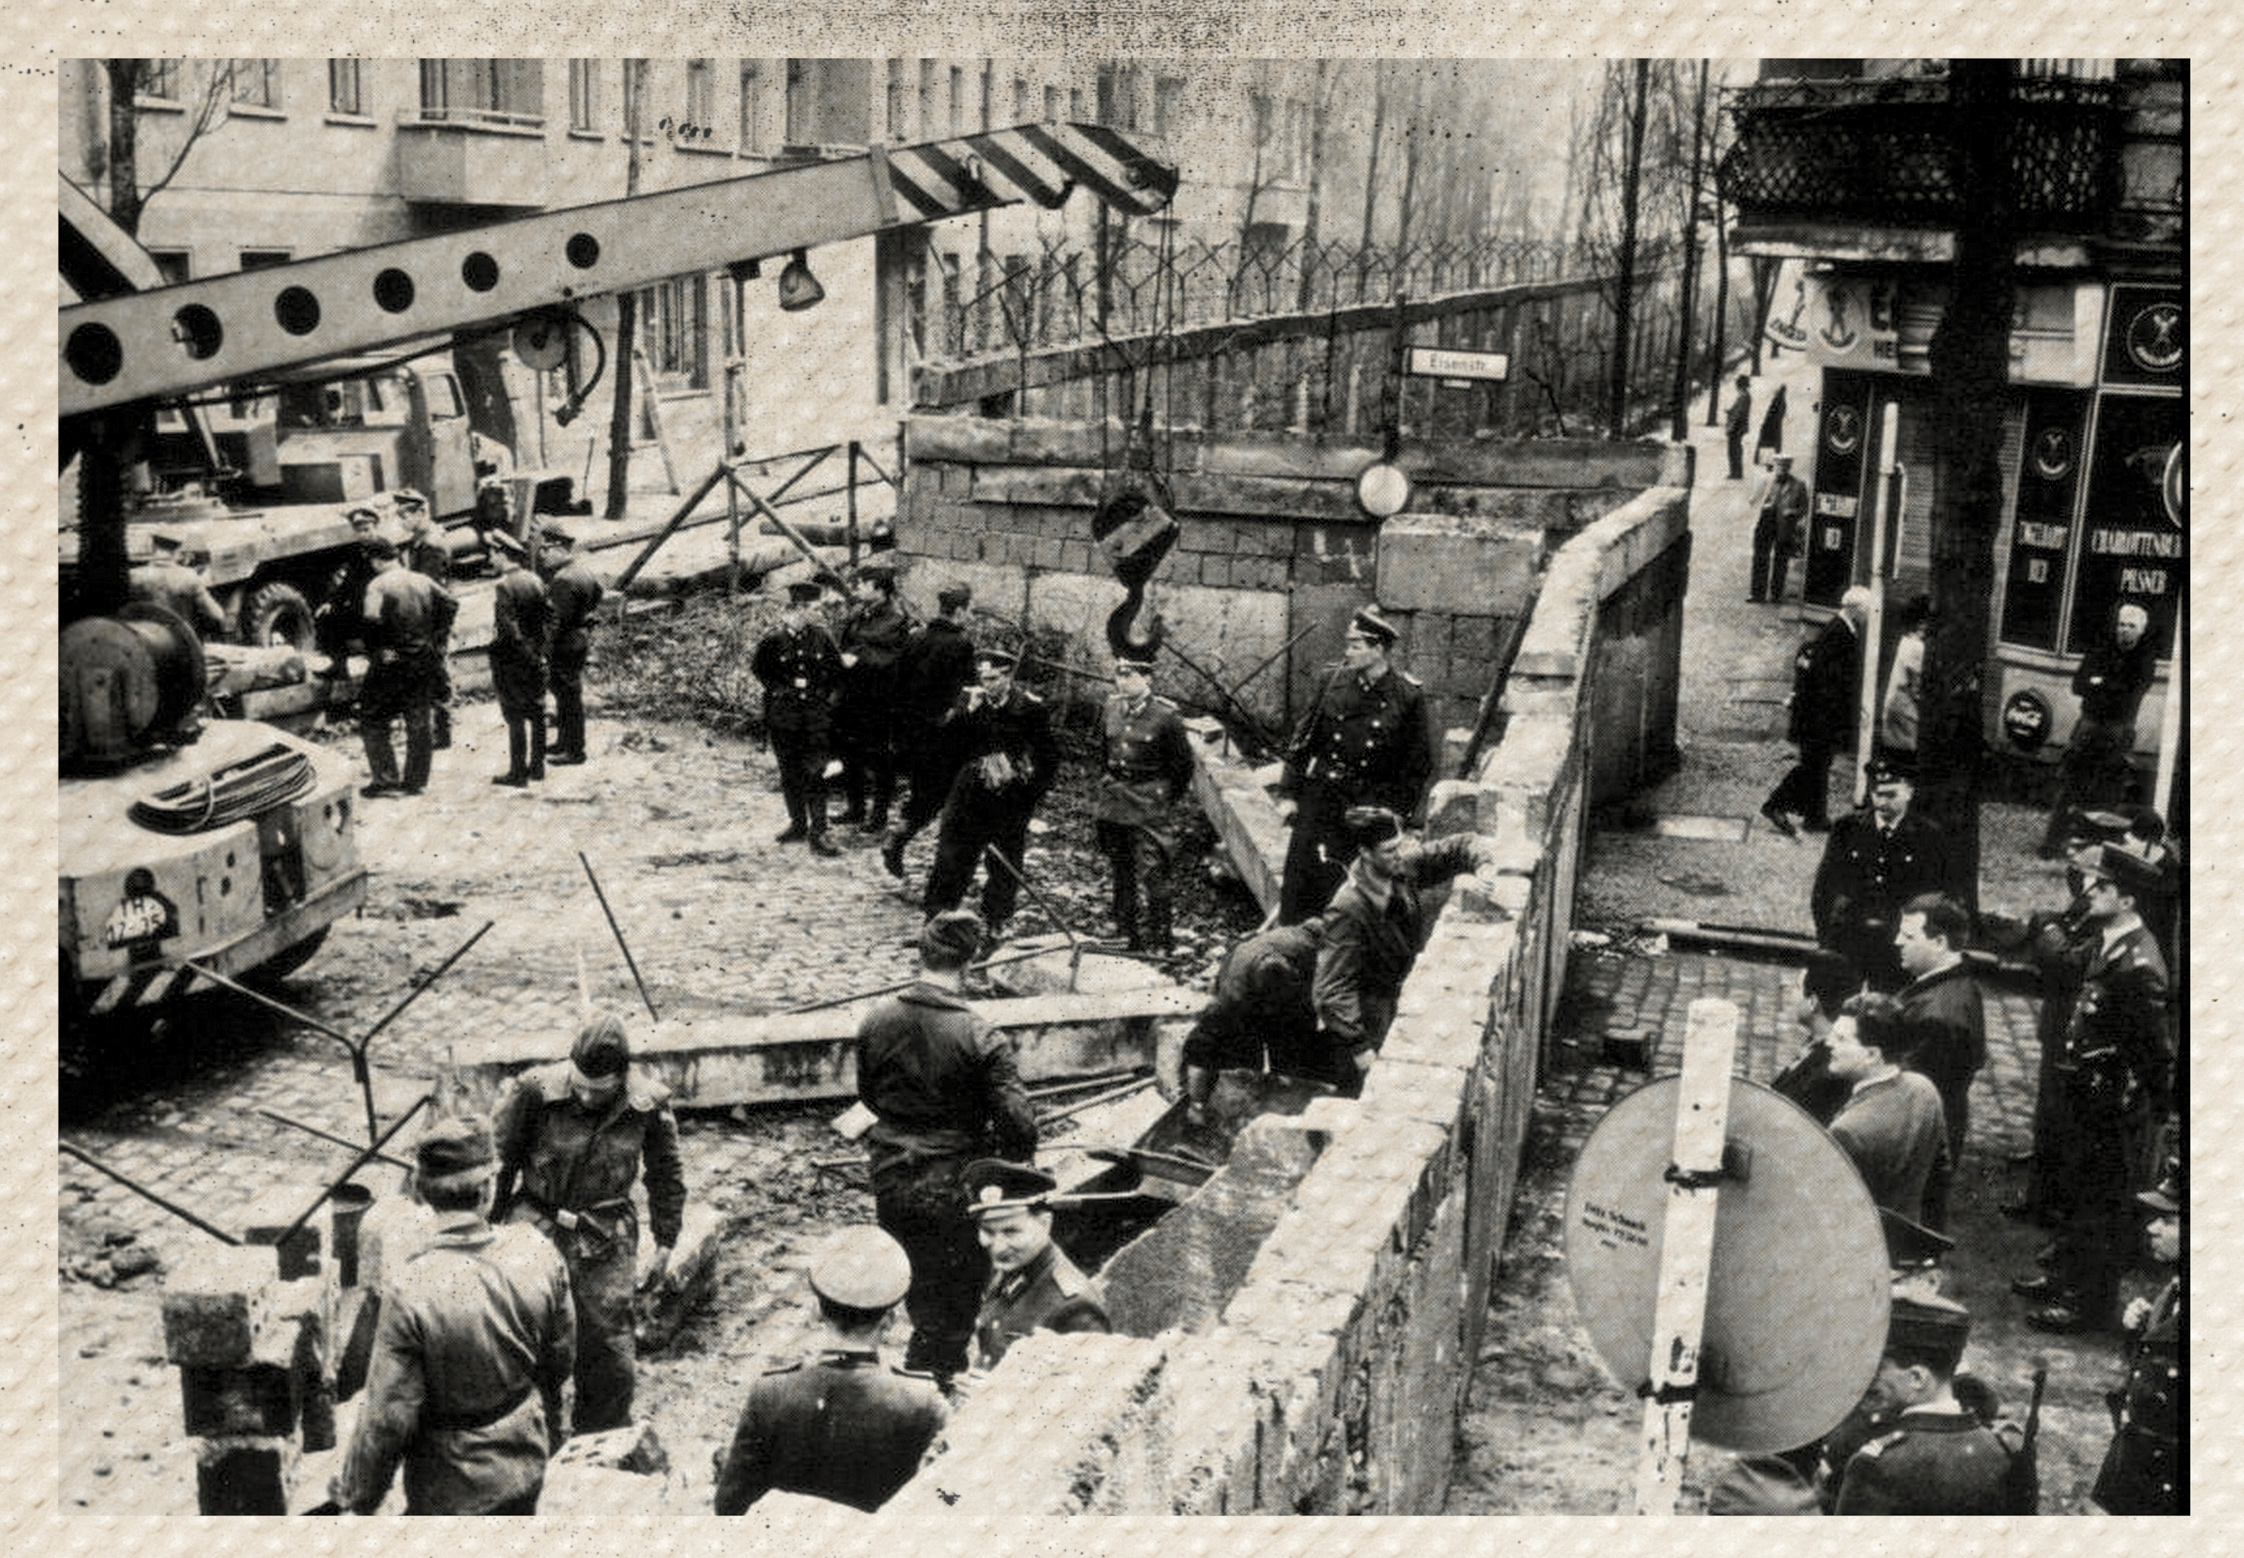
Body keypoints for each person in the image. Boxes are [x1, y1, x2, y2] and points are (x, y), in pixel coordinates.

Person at [326, 1118, 574, 1515]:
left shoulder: (410, 1288)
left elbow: (388, 1419)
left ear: (423, 1196)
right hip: (527, 1461)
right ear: (487, 1190)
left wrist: (358, 1498)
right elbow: (559, 1361)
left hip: (449, 1487)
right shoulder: (537, 1249)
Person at [855, 909, 1039, 1383]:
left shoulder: (875, 1019)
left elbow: (869, 1096)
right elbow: (1019, 1126)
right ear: (970, 965)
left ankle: (923, 1365)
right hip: (954, 1185)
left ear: (923, 954)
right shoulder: (981, 1036)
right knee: (955, 1303)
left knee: (916, 1284)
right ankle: (930, 1392)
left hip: (891, 1175)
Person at [491, 1014, 686, 1434]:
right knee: (528, 1341)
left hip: (604, 1237)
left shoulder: (648, 1103)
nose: (585, 1097)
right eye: (578, 1085)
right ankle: (538, 1436)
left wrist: (666, 1239)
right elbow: (502, 1161)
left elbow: (666, 1173)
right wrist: (490, 1229)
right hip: (536, 1229)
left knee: (609, 1353)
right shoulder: (534, 1091)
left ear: (621, 1078)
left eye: (598, 1091)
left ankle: (599, 1445)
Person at [2015, 845, 2172, 1334]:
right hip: (2086, 1092)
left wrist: (2153, 1106)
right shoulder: (2110, 942)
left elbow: (2152, 1050)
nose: (2090, 891)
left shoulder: (2139, 963)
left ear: (2127, 899)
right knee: (2078, 1189)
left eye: (2102, 887)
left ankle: (2088, 1303)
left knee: (2101, 1203)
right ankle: (2066, 1278)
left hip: (2111, 1106)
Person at [712, 1227, 949, 1515]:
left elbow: (729, 1505)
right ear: (890, 1320)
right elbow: (946, 1503)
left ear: (816, 1312)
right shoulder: (923, 1402)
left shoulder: (770, 1394)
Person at [1313, 806, 1491, 1094]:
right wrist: (1361, 1050)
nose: (1398, 854)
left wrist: (1484, 866)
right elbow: (1330, 990)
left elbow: (1459, 846)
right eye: (1388, 850)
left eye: (1399, 845)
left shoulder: (1399, 870)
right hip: (1368, 1019)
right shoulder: (1348, 908)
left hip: (1399, 999)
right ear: (1365, 852)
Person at [1277, 606, 1435, 924]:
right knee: (1301, 886)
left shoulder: (1406, 696)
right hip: (1321, 799)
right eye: (1348, 644)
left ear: (1378, 649)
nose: (1347, 652)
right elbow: (1302, 742)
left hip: (1367, 808)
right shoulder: (1331, 681)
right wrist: (1289, 795)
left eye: (1355, 645)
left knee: (1356, 895)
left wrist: (1394, 815)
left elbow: (1417, 765)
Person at [1828, 1296, 2027, 1514]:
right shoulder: (2007, 1448)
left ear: (1917, 1378)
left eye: (1878, 1369)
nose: (1868, 1379)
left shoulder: (1876, 1465)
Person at [921, 647, 1060, 940]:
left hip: (1009, 795)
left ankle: (996, 921)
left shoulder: (1030, 708)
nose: (988, 685)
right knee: (952, 855)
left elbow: (1048, 759)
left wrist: (1028, 796)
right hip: (970, 792)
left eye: (994, 678)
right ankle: (938, 920)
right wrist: (964, 714)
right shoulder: (969, 701)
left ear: (1009, 676)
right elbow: (943, 745)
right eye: (983, 678)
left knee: (1004, 862)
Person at [1810, 757, 1950, 992]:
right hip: (1849, 942)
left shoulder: (1928, 837)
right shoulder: (1847, 829)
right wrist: (1827, 940)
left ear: (1909, 792)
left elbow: (1934, 898)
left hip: (1896, 949)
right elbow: (1824, 890)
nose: (1881, 802)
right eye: (1876, 793)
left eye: (1891, 795)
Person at [1179, 916, 1332, 1127]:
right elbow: (1290, 1009)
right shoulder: (1304, 952)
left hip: (1236, 985)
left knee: (1213, 1047)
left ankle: (1200, 1106)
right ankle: (1219, 1112)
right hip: (1251, 992)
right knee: (1249, 1053)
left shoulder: (1284, 935)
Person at [2091, 1164, 2184, 1514]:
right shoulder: (2174, 1289)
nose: (2152, 1228)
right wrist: (2140, 1331)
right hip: (2136, 1455)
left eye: (2169, 1221)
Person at [961, 1159, 1110, 1374]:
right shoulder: (1011, 1269)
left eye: (1011, 1231)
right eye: (988, 1231)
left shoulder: (1073, 1306)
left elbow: (1088, 1394)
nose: (998, 1246)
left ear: (1045, 1223)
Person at [1892, 893, 1985, 1232]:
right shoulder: (1957, 987)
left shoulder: (1940, 1015)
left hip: (1920, 1143)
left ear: (1939, 941)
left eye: (1909, 936)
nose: (1897, 941)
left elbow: (1905, 1091)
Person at [1092, 655, 1197, 954]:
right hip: (1115, 800)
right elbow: (1103, 753)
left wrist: (1163, 799)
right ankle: (1124, 929)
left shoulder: (1166, 717)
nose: (1122, 681)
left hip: (1149, 803)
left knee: (1153, 871)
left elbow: (1182, 768)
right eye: (1119, 675)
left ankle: (1161, 937)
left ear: (1148, 678)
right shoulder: (1111, 707)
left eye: (1130, 675)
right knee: (1120, 865)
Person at [2038, 602, 2158, 857]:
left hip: (2118, 730)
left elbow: (2131, 693)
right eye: (2121, 624)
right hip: (2089, 725)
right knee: (2071, 784)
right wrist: (2106, 685)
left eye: (2131, 626)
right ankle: (2052, 843)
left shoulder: (2145, 659)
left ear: (2141, 631)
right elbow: (2078, 685)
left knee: (2107, 791)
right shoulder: (2100, 650)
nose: (2124, 630)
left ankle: (2097, 847)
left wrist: (2100, 683)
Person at [1823, 993, 1947, 1228]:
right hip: (1906, 1230)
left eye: (1841, 1039)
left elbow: (1830, 1206)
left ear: (1872, 1055)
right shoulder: (1924, 1089)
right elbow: (1940, 1171)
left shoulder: (1847, 1131)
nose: (1829, 1043)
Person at [882, 581, 979, 879]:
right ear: (960, 611)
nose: (969, 616)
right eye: (968, 610)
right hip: (944, 738)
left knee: (925, 792)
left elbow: (895, 685)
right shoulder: (961, 645)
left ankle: (900, 837)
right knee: (940, 798)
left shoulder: (915, 638)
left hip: (911, 736)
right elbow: (967, 692)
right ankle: (904, 841)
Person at [1763, 585, 1868, 837]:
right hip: (1819, 715)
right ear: (1854, 609)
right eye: (1867, 610)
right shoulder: (1838, 633)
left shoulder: (1841, 628)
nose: (1869, 615)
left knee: (1819, 764)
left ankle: (1815, 817)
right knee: (1813, 765)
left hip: (1819, 713)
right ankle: (1775, 805)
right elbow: (1827, 680)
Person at [752, 578, 846, 857]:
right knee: (790, 773)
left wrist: (826, 701)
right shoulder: (773, 641)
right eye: (800, 609)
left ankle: (820, 831)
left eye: (808, 609)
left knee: (816, 772)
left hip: (815, 717)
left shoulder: (821, 637)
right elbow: (760, 670)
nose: (806, 614)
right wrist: (780, 691)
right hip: (784, 718)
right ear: (790, 611)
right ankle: (798, 824)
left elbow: (837, 672)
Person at [357, 536, 456, 799]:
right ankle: (416, 781)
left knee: (372, 717)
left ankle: (385, 779)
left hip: (391, 662)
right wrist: (436, 640)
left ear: (376, 560)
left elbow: (371, 624)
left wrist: (380, 652)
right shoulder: (422, 580)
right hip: (423, 659)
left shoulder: (377, 585)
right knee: (419, 720)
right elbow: (450, 604)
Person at [833, 558, 913, 833]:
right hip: (850, 695)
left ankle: (878, 815)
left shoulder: (896, 619)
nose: (857, 588)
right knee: (847, 751)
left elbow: (891, 657)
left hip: (878, 700)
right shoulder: (860, 611)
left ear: (879, 589)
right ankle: (855, 808)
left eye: (863, 584)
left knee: (879, 758)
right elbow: (846, 639)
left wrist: (857, 657)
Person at [1768, 947, 1863, 1126]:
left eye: (1796, 987)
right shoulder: (1819, 1043)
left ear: (1812, 1002)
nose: (1790, 992)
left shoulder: (1828, 1069)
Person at [487, 539, 550, 788]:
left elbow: (508, 628)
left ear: (503, 554)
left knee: (515, 716)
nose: (490, 559)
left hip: (513, 659)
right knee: (537, 712)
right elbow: (549, 615)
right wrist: (540, 650)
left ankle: (517, 773)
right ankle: (538, 767)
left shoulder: (503, 585)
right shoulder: (534, 579)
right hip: (535, 654)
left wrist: (519, 651)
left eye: (493, 553)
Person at [396, 492, 455, 752]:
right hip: (427, 618)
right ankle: (438, 729)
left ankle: (443, 732)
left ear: (421, 513)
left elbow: (430, 589)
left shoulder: (432, 544)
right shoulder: (420, 540)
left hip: (433, 620)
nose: (401, 521)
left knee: (437, 672)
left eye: (405, 515)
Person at [542, 527, 604, 767]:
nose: (543, 555)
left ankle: (574, 751)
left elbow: (557, 621)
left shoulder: (562, 579)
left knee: (568, 698)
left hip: (564, 643)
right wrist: (584, 616)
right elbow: (598, 594)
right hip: (579, 637)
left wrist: (544, 648)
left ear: (560, 548)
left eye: (547, 550)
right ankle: (563, 742)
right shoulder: (583, 571)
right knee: (564, 695)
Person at [315, 506, 385, 685]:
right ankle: (339, 668)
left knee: (379, 651)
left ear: (376, 527)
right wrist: (331, 602)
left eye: (367, 529)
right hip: (360, 611)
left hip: (380, 612)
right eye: (359, 531)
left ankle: (380, 675)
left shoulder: (386, 550)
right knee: (327, 619)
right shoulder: (357, 552)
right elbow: (348, 583)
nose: (363, 535)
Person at [128, 530, 226, 639]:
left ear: (153, 546)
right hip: (179, 646)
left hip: (146, 644)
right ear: (178, 549)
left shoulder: (134, 576)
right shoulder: (190, 577)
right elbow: (217, 616)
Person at [1877, 594, 1930, 772]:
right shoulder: (1918, 647)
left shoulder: (1904, 641)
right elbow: (1916, 686)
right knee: (1910, 753)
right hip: (1904, 704)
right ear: (1922, 622)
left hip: (1893, 700)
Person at [1749, 454, 1809, 604]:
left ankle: (1776, 594)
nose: (1781, 470)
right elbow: (1752, 500)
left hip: (1785, 526)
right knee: (1760, 558)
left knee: (1780, 561)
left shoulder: (1798, 485)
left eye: (1785, 468)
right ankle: (1757, 594)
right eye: (1779, 467)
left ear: (1789, 468)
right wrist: (1762, 505)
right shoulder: (1764, 480)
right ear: (1774, 466)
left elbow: (1805, 507)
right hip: (1765, 522)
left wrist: (1793, 512)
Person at [1724, 374, 1753, 481]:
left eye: (1738, 384)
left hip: (1737, 427)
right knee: (1735, 449)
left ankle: (1735, 473)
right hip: (1738, 426)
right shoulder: (1744, 396)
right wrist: (1730, 411)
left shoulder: (1744, 397)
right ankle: (1736, 472)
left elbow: (1739, 413)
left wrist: (1731, 425)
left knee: (1733, 450)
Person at [1755, 382, 1787, 463]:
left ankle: (1764, 460)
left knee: (1766, 443)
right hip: (1775, 426)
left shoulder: (1777, 401)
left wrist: (1766, 424)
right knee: (1773, 445)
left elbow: (1773, 414)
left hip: (1771, 426)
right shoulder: (1782, 402)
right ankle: (1770, 460)